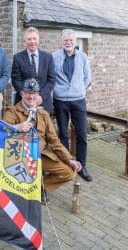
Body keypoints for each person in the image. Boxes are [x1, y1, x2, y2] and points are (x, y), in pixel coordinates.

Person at [3, 78, 82, 203]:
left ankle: (39, 187)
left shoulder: (43, 114)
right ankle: (22, 189)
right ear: (22, 94)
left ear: (38, 95)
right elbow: (2, 131)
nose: (31, 96)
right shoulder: (12, 111)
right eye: (28, 92)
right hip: (21, 158)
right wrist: (16, 128)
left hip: (41, 155)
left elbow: (55, 141)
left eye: (34, 93)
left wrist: (70, 159)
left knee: (69, 173)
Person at [52, 29, 92, 182]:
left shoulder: (82, 57)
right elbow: (52, 77)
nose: (68, 43)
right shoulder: (55, 56)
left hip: (78, 100)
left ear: (75, 41)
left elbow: (88, 77)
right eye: (65, 40)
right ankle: (66, 163)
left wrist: (79, 89)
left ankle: (82, 166)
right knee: (63, 133)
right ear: (62, 41)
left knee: (82, 134)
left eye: (70, 40)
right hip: (60, 100)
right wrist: (57, 90)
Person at [11, 27, 55, 113]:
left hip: (43, 102)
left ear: (38, 40)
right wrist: (26, 95)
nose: (32, 42)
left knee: (42, 126)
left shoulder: (48, 57)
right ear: (25, 41)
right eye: (29, 39)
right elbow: (16, 79)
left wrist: (41, 96)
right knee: (24, 126)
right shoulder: (18, 58)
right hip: (23, 103)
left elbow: (51, 80)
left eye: (34, 38)